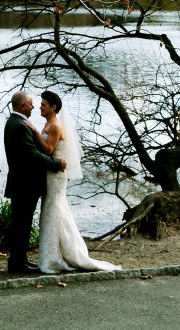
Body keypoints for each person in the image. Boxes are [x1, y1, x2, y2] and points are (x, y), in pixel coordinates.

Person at [29, 90, 121, 274]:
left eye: (43, 104)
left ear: (53, 107)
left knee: (54, 209)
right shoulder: (48, 123)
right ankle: (54, 254)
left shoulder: (55, 126)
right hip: (49, 173)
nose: (40, 106)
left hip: (55, 175)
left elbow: (48, 150)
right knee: (51, 209)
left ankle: (59, 256)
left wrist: (34, 132)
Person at [3, 90, 66, 274]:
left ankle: (19, 261)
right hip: (24, 183)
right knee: (22, 224)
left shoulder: (16, 122)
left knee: (22, 224)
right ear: (23, 106)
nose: (34, 106)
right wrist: (56, 163)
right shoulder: (20, 125)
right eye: (31, 104)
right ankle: (18, 264)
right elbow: (31, 154)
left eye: (38, 104)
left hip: (22, 182)